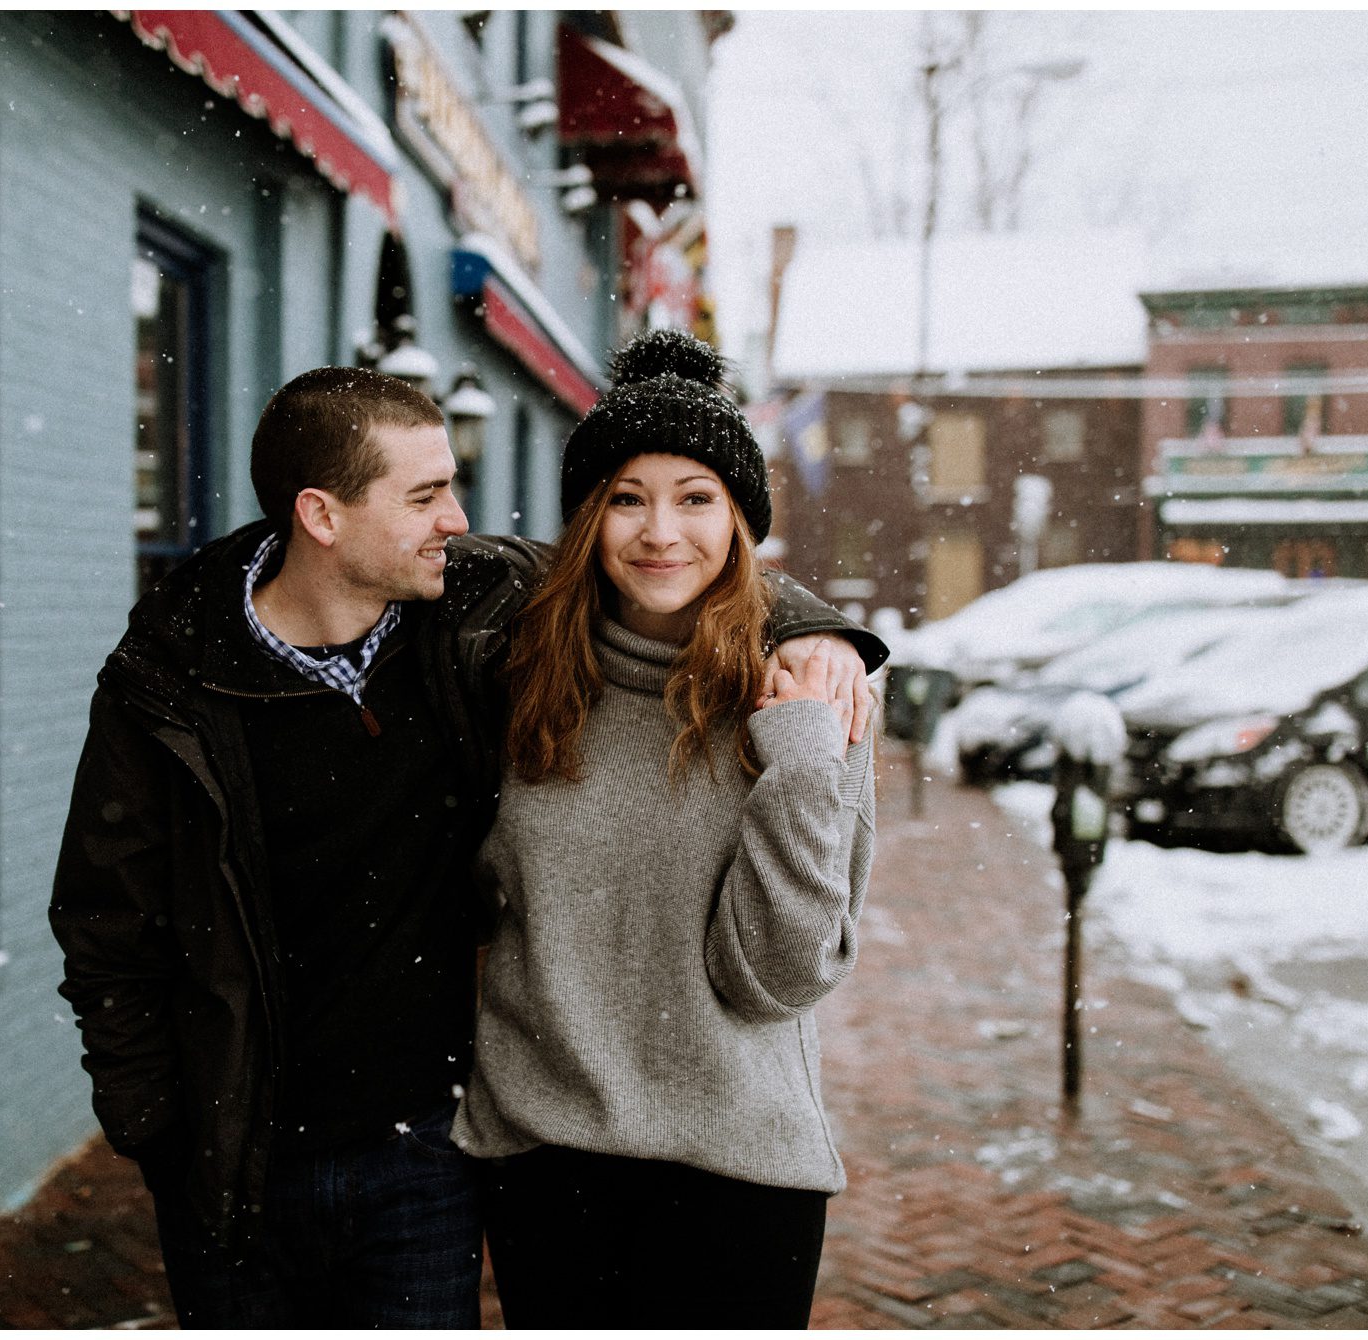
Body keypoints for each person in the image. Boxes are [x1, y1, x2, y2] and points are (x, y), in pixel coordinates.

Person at [48, 361, 884, 1328]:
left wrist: (820, 636)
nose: (458, 517)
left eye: (697, 496)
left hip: (443, 1150)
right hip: (267, 1152)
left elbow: (684, 567)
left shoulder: (472, 620)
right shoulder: (188, 686)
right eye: (427, 493)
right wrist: (156, 1124)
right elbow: (107, 921)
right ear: (322, 517)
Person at [452, 330, 878, 1329]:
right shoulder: (503, 668)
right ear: (588, 515)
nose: (659, 531)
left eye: (695, 497)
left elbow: (776, 972)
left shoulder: (815, 690)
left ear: (738, 520)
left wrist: (800, 757)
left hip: (740, 1169)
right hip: (545, 1163)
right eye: (626, 496)